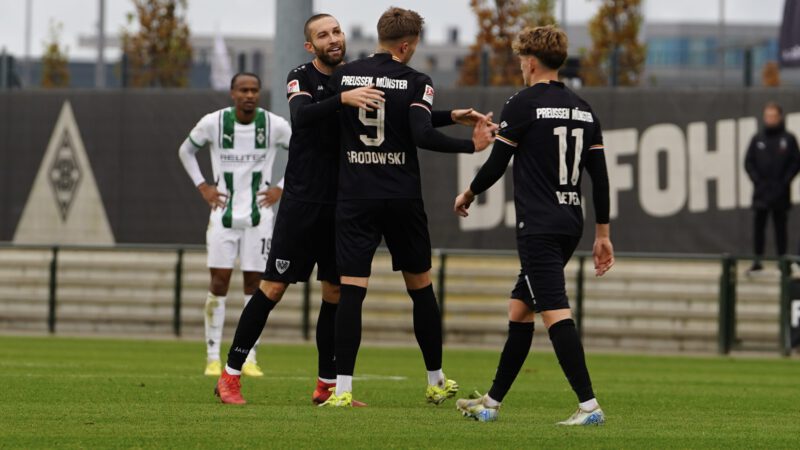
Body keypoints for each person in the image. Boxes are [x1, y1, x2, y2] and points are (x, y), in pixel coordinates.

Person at [319, 7, 497, 408]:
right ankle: (435, 380)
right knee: (421, 289)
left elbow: (377, 118)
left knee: (352, 293)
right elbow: (417, 131)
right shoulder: (416, 81)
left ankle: (343, 390)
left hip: (356, 197)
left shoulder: (345, 76)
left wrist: (451, 116)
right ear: (406, 44)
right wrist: (471, 145)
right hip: (400, 197)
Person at [213, 14, 384, 406]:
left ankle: (326, 385)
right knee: (272, 287)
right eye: (323, 35)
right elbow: (302, 117)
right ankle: (230, 376)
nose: (333, 38)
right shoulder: (301, 76)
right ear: (311, 46)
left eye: (337, 31)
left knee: (336, 292)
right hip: (304, 203)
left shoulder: (355, 77)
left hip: (342, 205)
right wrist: (341, 99)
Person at [452, 25, 613, 425]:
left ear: (530, 61)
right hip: (569, 221)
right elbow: (602, 177)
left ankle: (589, 406)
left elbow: (496, 164)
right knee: (520, 309)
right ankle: (490, 404)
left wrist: (468, 193)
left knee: (554, 312)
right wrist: (603, 234)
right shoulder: (584, 108)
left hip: (538, 225)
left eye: (521, 60)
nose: (521, 66)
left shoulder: (523, 104)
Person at [178, 72, 290, 378]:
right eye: (243, 90)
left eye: (254, 90)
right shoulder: (213, 123)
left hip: (259, 217)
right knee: (219, 282)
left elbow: (304, 152)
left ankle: (249, 358)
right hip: (223, 216)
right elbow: (185, 150)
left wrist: (282, 187)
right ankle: (212, 357)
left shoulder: (273, 125)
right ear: (232, 93)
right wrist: (203, 186)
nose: (249, 95)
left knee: (256, 287)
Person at [745, 102, 800, 273]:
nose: (770, 119)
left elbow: (795, 163)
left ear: (779, 117)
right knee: (759, 227)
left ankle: (782, 262)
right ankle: (757, 261)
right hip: (761, 193)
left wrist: (784, 182)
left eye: (773, 115)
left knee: (780, 228)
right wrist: (757, 181)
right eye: (767, 115)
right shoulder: (758, 138)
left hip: (780, 193)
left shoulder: (788, 139)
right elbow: (748, 162)